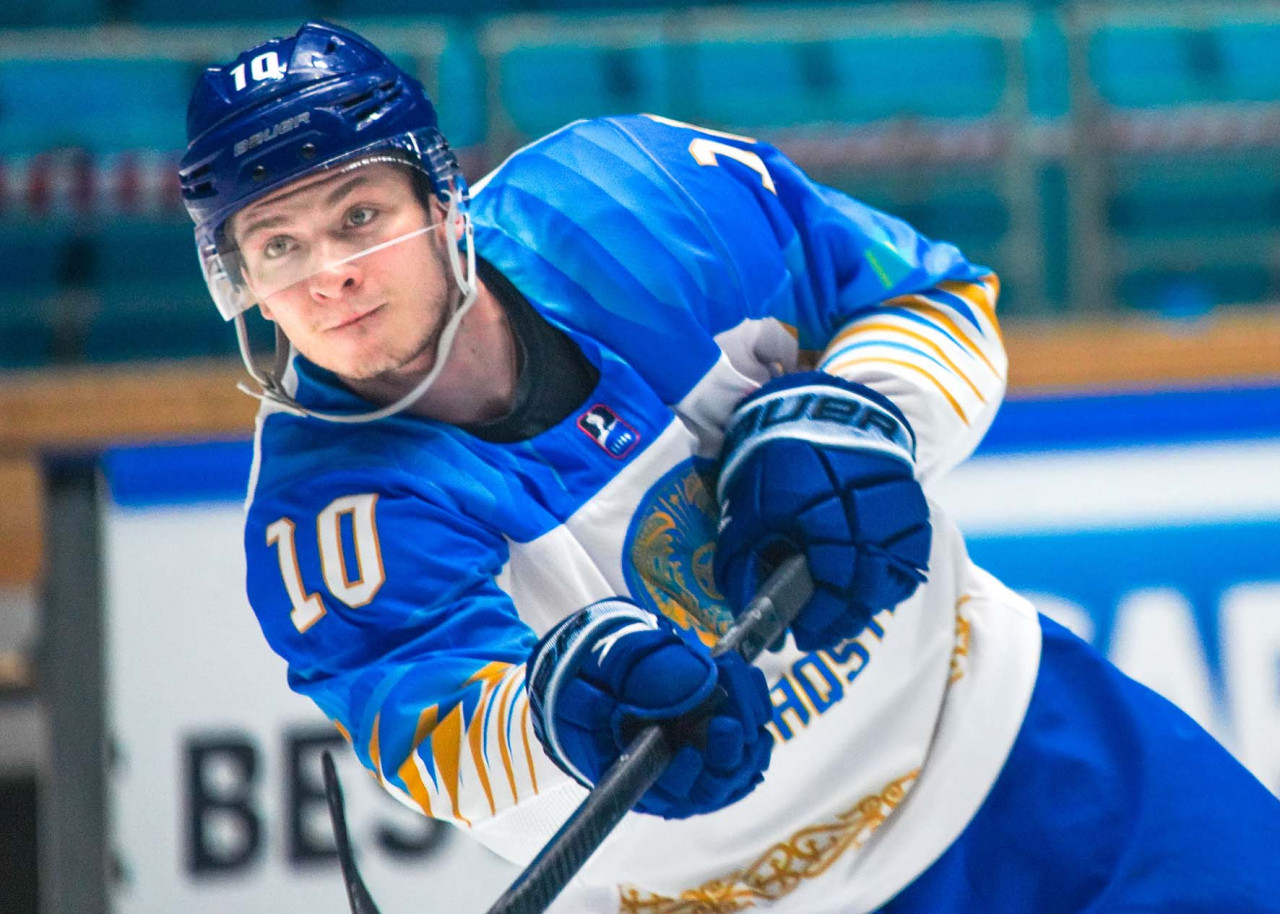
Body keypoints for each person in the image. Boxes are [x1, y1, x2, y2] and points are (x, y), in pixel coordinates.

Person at [180, 20, 1280, 913]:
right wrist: (561, 710)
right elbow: (446, 744)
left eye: (359, 216)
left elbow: (934, 297)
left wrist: (867, 420)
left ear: (439, 201)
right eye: (278, 244)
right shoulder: (323, 520)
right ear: (241, 279)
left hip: (1027, 753)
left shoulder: (632, 198)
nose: (329, 274)